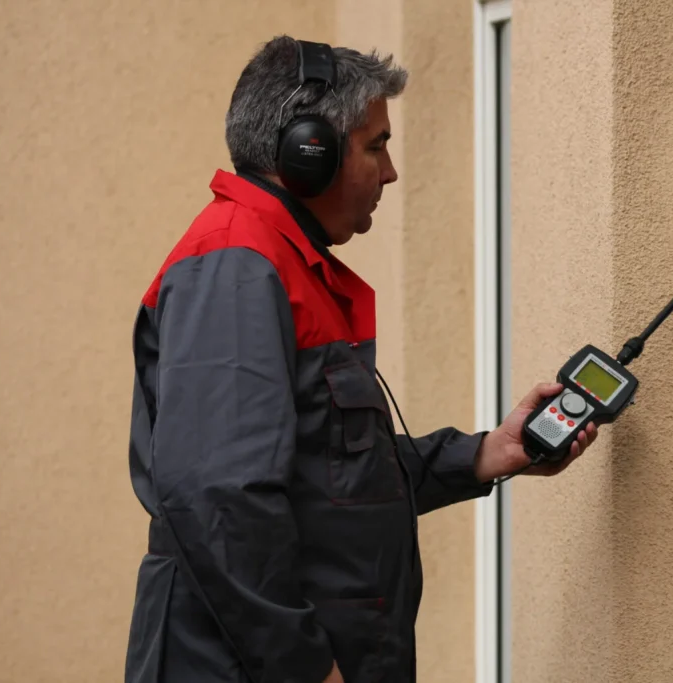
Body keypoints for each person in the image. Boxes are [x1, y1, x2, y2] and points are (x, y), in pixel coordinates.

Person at [124, 36, 597, 683]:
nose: (391, 170)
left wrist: (488, 451)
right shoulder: (236, 268)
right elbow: (218, 499)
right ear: (308, 152)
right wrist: (308, 667)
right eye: (376, 145)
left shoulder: (280, 265)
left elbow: (329, 474)